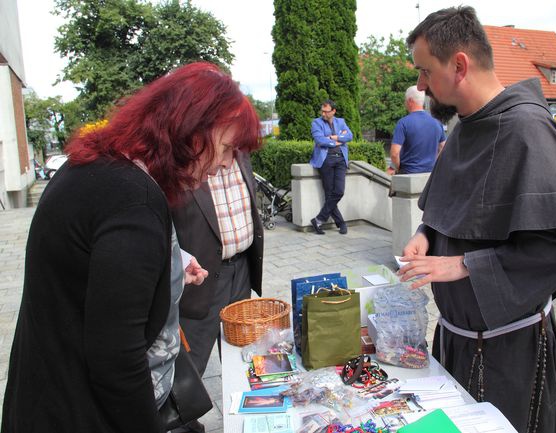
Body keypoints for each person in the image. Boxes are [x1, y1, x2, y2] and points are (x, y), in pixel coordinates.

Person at [1, 62, 261, 433]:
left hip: (45, 395)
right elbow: (116, 363)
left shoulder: (99, 169)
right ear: (190, 129)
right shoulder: (133, 200)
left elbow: (97, 264)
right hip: (78, 412)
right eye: (225, 148)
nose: (224, 165)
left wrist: (169, 264)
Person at [397, 7, 556, 433]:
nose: (421, 85)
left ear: (459, 65)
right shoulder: (462, 130)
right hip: (455, 340)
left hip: (507, 354)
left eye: (425, 71)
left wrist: (461, 264)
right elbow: (449, 210)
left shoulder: (529, 130)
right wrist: (426, 233)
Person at [170, 116, 264, 433]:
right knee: (188, 363)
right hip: (201, 275)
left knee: (241, 356)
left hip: (241, 268)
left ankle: (245, 420)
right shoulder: (179, 153)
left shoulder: (239, 148)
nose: (226, 162)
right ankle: (181, 424)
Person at [309, 99, 353, 235]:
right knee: (329, 194)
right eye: (322, 111)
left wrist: (333, 137)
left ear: (333, 111)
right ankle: (341, 223)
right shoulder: (316, 123)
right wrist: (338, 141)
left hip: (341, 160)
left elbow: (350, 136)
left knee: (339, 191)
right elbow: (320, 140)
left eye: (326, 111)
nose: (323, 114)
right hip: (325, 160)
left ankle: (319, 219)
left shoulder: (341, 122)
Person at [388, 86, 446, 175]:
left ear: (410, 101)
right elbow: (443, 147)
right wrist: (434, 165)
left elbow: (394, 153)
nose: (405, 103)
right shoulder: (437, 123)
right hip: (430, 175)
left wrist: (398, 168)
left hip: (407, 175)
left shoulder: (403, 123)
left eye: (405, 100)